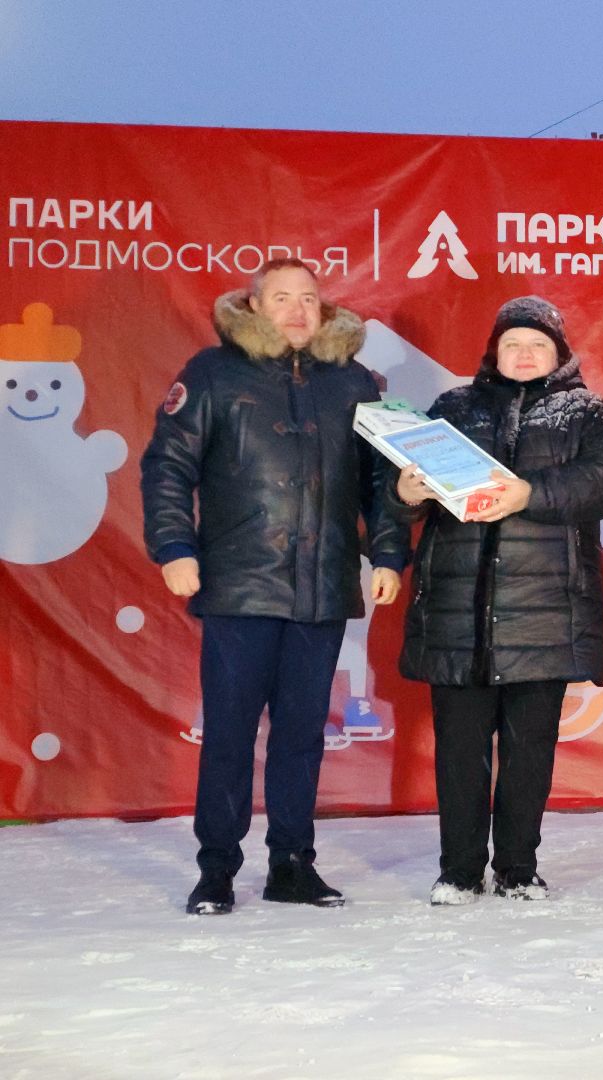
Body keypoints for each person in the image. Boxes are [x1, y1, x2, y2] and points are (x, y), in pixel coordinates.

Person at [141, 258, 408, 915]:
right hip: (240, 587)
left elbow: (384, 480)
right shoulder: (213, 372)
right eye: (282, 297)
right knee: (230, 734)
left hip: (321, 588)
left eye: (309, 298)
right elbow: (167, 465)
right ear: (255, 306)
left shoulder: (353, 383)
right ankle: (217, 871)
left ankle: (292, 865)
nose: (297, 309)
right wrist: (175, 547)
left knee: (301, 736)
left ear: (323, 310)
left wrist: (389, 555)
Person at [390, 296, 603, 904]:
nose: (523, 354)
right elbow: (410, 499)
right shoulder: (452, 408)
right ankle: (460, 869)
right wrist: (408, 492)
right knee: (460, 751)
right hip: (458, 607)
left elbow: (602, 484)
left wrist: (529, 494)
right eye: (512, 343)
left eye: (538, 345)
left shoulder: (587, 412)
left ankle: (518, 867)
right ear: (494, 350)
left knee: (530, 751)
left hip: (545, 608)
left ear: (560, 354)